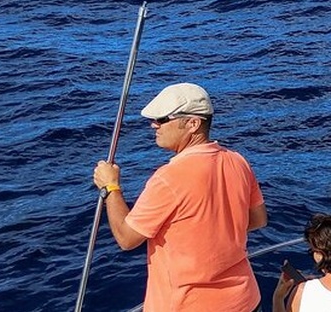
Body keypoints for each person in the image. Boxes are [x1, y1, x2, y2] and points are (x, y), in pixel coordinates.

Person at [92, 82, 268, 312]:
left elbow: (126, 239)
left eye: (162, 119)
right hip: (245, 301)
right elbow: (258, 220)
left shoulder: (168, 178)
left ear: (193, 123)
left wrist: (111, 187)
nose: (154, 125)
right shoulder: (237, 161)